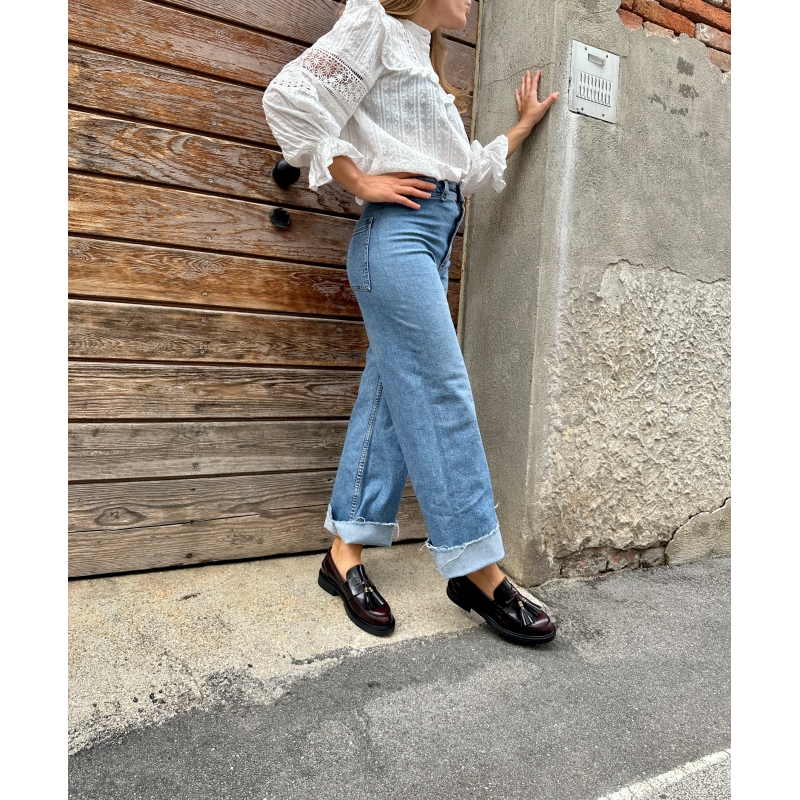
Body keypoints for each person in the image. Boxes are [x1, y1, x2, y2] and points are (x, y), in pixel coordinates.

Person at [262, 0, 559, 644]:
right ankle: (477, 569)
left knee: (390, 398)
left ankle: (343, 552)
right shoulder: (374, 23)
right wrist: (357, 180)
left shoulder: (421, 55)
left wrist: (522, 126)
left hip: (428, 243)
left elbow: (464, 174)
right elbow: (288, 96)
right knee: (441, 391)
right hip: (394, 242)